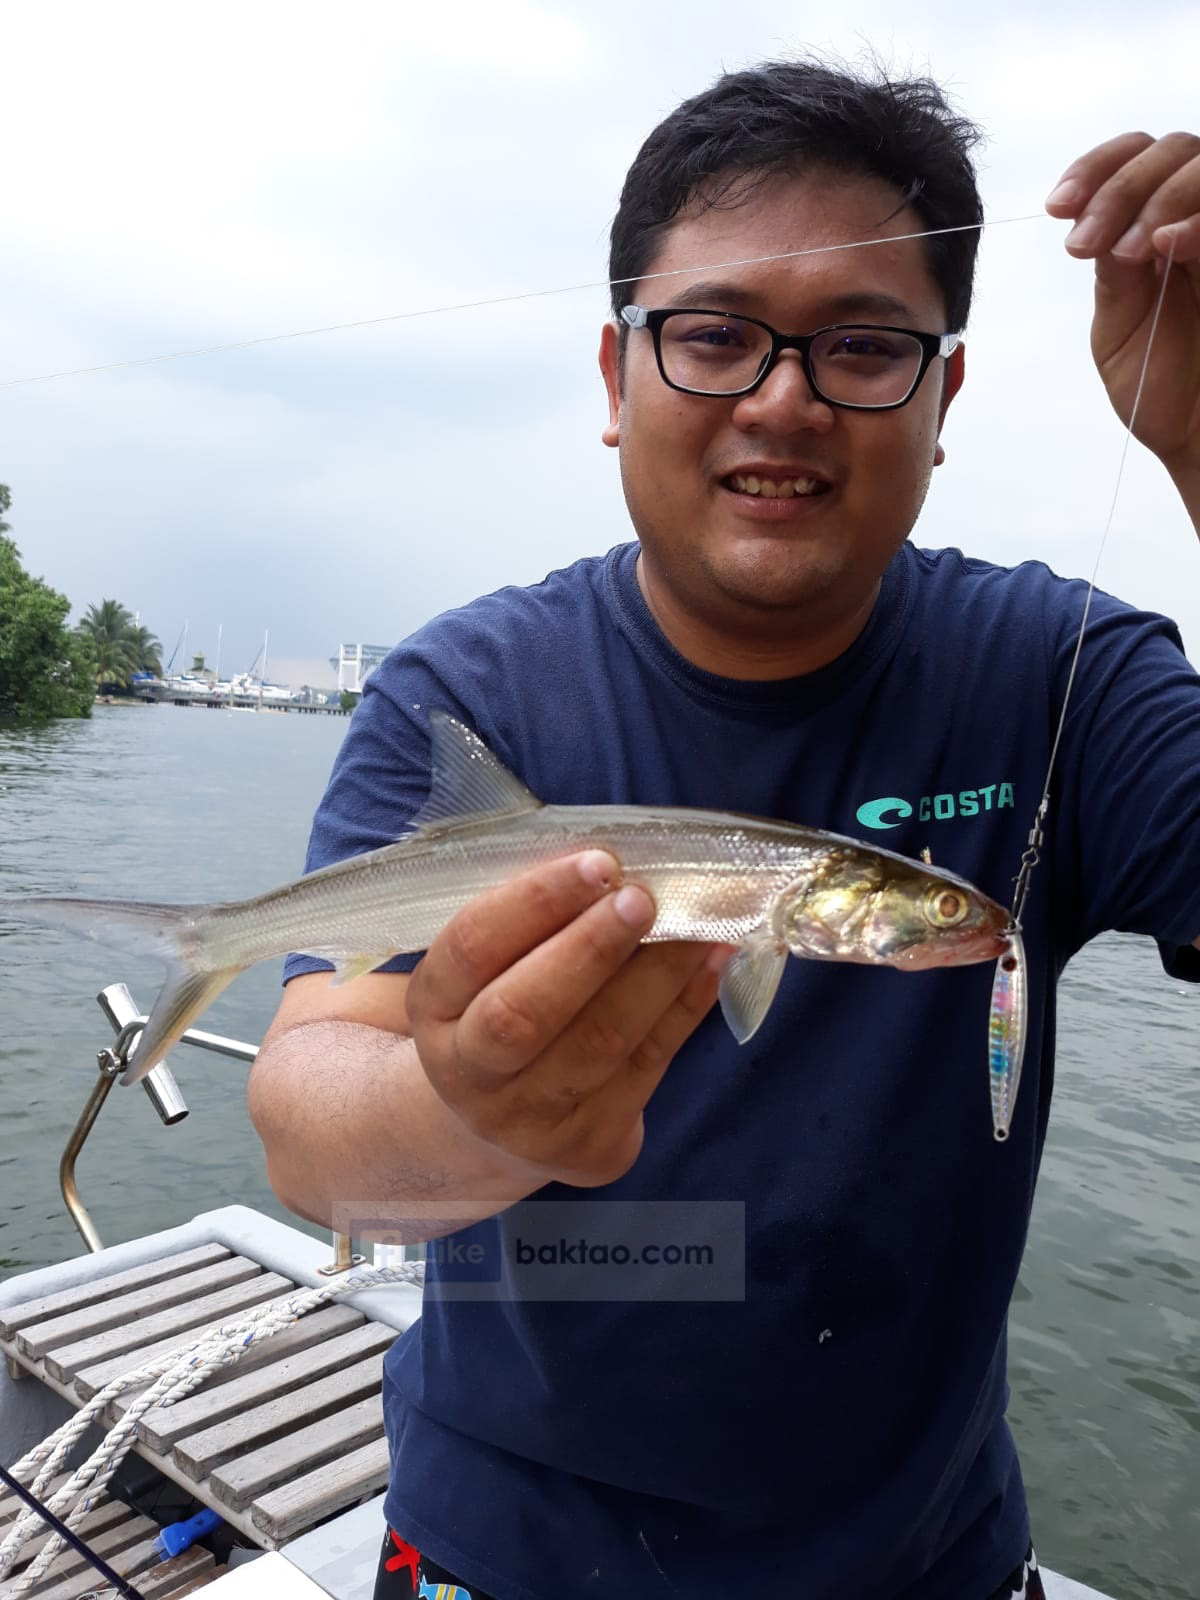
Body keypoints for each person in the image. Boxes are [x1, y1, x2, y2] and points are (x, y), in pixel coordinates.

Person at [247, 59, 1200, 1600]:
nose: (783, 397)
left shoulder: (1067, 674)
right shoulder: (469, 687)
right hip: (510, 1556)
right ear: (616, 378)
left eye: (864, 345)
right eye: (714, 334)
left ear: (943, 397)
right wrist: (468, 1108)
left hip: (929, 1567)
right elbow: (312, 1126)